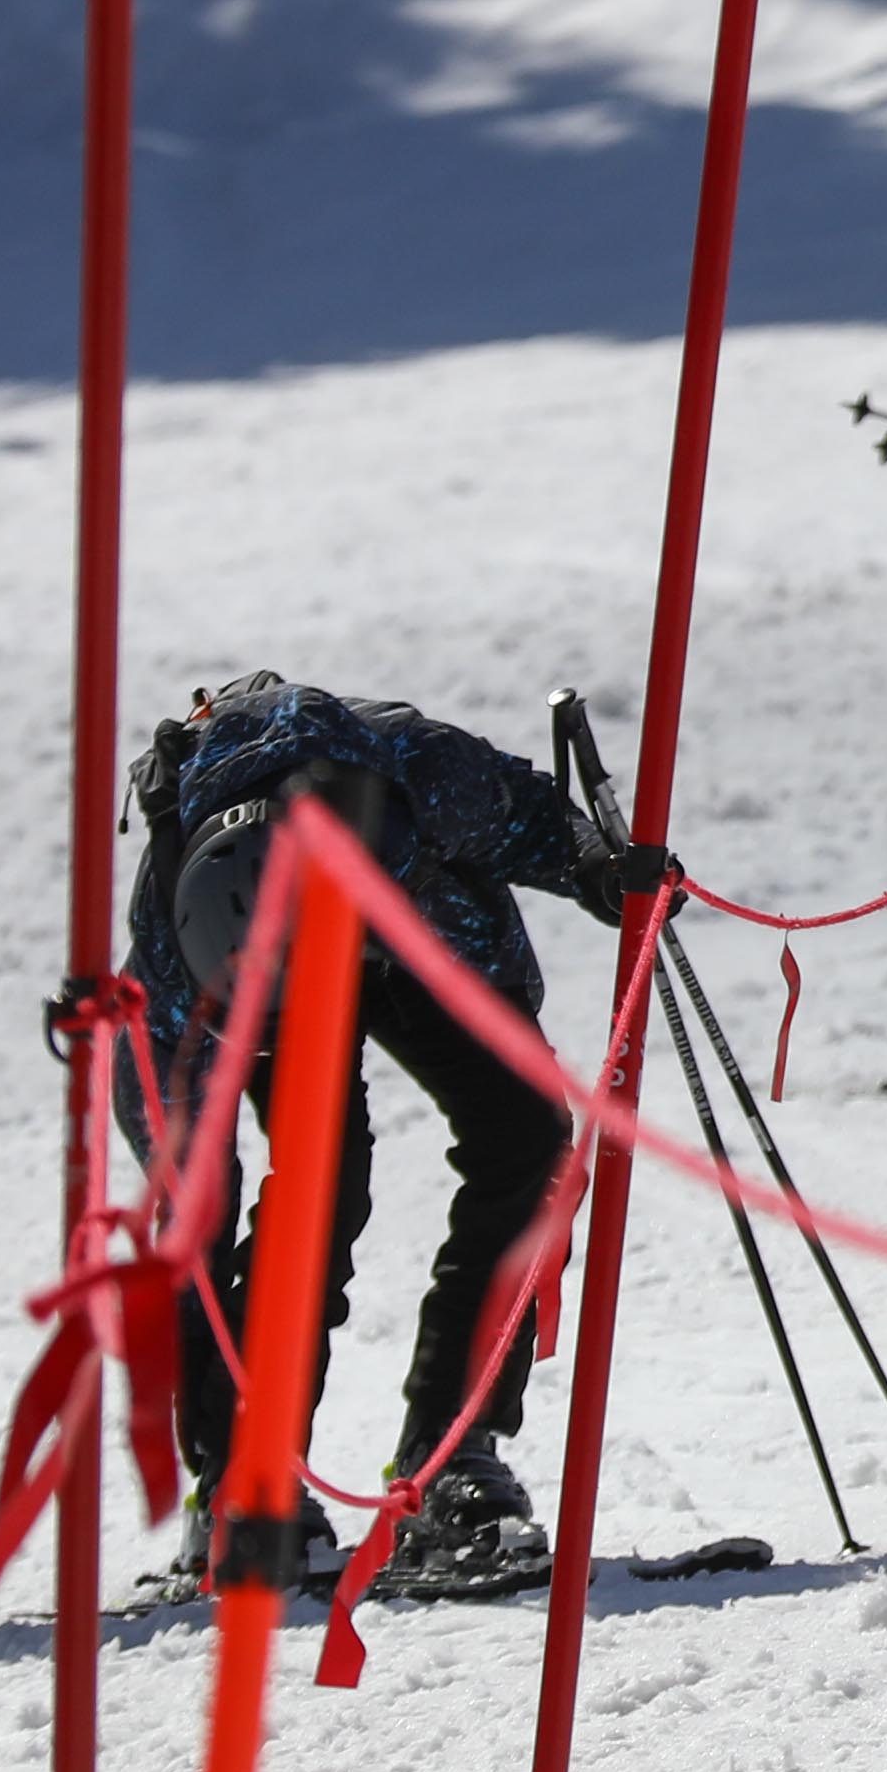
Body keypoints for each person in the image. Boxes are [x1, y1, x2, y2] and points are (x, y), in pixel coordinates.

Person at [125, 677, 672, 1591]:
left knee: (526, 1142)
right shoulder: (174, 955)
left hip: (420, 923)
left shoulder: (420, 775)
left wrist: (599, 869)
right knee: (315, 1191)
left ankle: (452, 1461)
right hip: (258, 968)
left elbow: (531, 818)